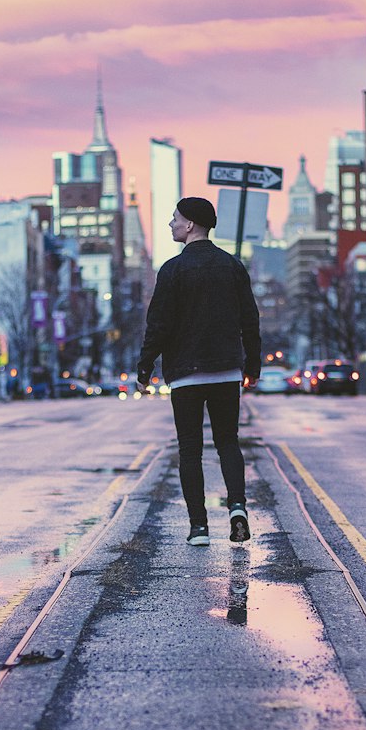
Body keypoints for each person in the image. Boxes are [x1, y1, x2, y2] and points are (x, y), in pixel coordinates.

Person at [137, 195, 261, 546]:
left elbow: (158, 324)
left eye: (175, 218)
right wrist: (252, 365)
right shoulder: (233, 267)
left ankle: (199, 528)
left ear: (190, 224)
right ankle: (237, 507)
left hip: (186, 373)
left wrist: (144, 368)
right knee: (228, 443)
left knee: (190, 449)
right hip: (226, 370)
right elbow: (249, 320)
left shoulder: (173, 270)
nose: (171, 223)